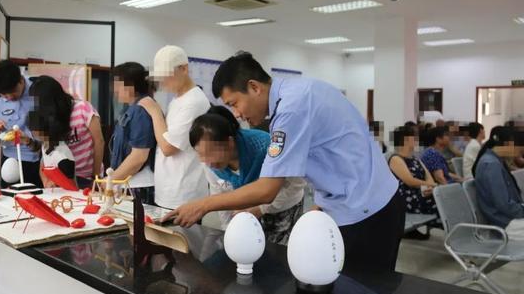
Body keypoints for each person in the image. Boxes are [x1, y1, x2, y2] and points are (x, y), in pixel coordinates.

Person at [163, 52, 404, 273]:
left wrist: (203, 205)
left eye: (234, 103)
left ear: (254, 87)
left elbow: (267, 190)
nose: (236, 114)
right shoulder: (298, 93)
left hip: (368, 212)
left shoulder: (290, 110)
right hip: (356, 206)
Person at [190, 106, 306, 245]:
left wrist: (261, 209)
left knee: (276, 257)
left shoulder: (266, 147)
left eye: (210, 153)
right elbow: (219, 197)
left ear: (230, 143)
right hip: (246, 213)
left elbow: (296, 185)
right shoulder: (209, 163)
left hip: (282, 209)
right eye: (200, 154)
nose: (207, 162)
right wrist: (228, 230)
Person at [137, 46, 210, 209]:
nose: (163, 82)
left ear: (184, 69)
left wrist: (155, 112)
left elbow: (169, 147)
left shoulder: (194, 102)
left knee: (181, 235)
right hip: (170, 189)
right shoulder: (178, 99)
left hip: (183, 193)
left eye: (167, 76)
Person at [29, 76, 104, 188]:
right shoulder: (48, 118)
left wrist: (96, 176)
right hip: (61, 179)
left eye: (40, 102)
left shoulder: (83, 108)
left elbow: (99, 141)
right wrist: (46, 180)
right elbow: (46, 152)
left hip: (87, 178)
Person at [0, 60, 42, 187]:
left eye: (13, 91)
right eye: (4, 95)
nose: (9, 97)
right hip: (10, 161)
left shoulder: (40, 89)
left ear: (20, 80)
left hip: (41, 161)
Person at [109, 62, 157, 204]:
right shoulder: (130, 109)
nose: (114, 90)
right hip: (129, 182)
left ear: (129, 85)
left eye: (117, 84)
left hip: (138, 186)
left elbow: (139, 157)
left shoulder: (140, 110)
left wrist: (110, 180)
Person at [473, 126, 524, 241]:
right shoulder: (491, 164)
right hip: (504, 224)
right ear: (507, 144)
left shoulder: (494, 160)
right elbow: (504, 205)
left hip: (506, 219)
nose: (518, 155)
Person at [27, 86, 77, 189]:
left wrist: (54, 185)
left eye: (33, 130)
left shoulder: (62, 156)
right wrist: (46, 182)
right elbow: (42, 167)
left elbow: (71, 187)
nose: (32, 133)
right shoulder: (45, 144)